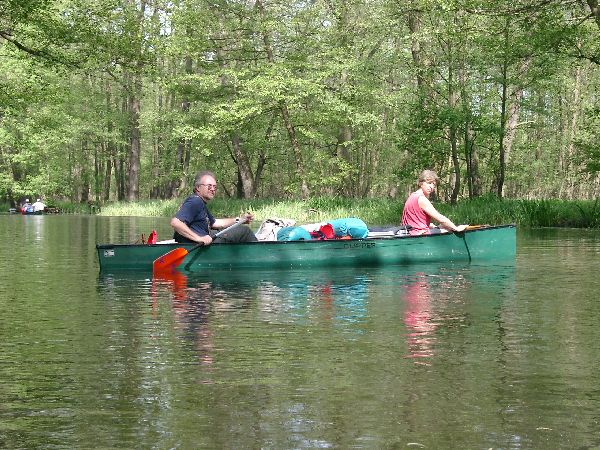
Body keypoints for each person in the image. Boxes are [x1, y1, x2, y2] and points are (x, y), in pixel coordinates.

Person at [170, 171, 257, 245]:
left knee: (228, 230)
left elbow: (214, 223)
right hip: (198, 244)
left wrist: (240, 220)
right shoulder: (195, 202)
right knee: (245, 232)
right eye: (209, 186)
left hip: (207, 238)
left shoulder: (201, 203)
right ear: (198, 187)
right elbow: (176, 223)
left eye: (214, 187)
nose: (212, 189)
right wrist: (199, 238)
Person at [401, 170, 468, 235]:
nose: (432, 187)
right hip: (419, 234)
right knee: (448, 229)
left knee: (442, 226)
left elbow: (414, 220)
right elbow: (440, 218)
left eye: (434, 185)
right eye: (429, 183)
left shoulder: (412, 196)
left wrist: (430, 225)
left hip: (411, 233)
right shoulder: (421, 199)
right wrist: (456, 228)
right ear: (421, 183)